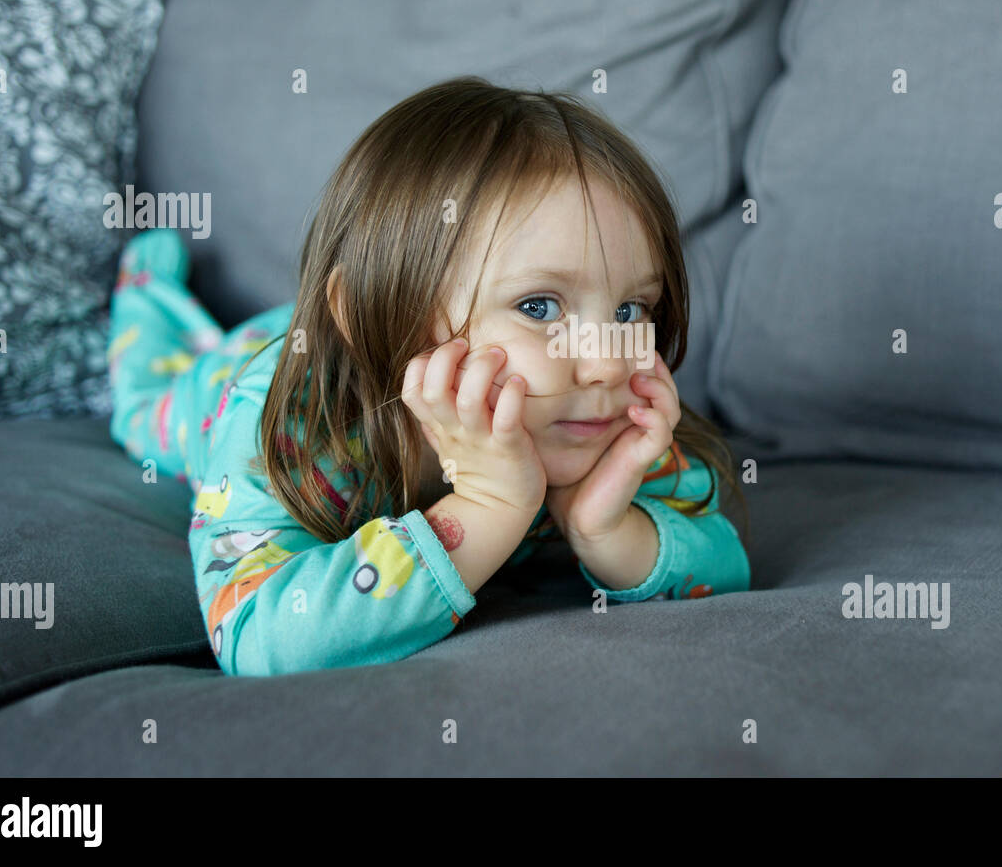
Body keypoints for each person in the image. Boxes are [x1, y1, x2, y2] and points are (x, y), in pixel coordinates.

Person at [106, 76, 751, 676]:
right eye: (538, 307)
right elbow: (259, 631)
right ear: (374, 315)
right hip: (257, 363)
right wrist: (488, 509)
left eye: (628, 309)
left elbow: (721, 563)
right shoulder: (288, 418)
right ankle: (146, 288)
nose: (610, 357)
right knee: (145, 401)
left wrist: (605, 529)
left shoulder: (599, 417)